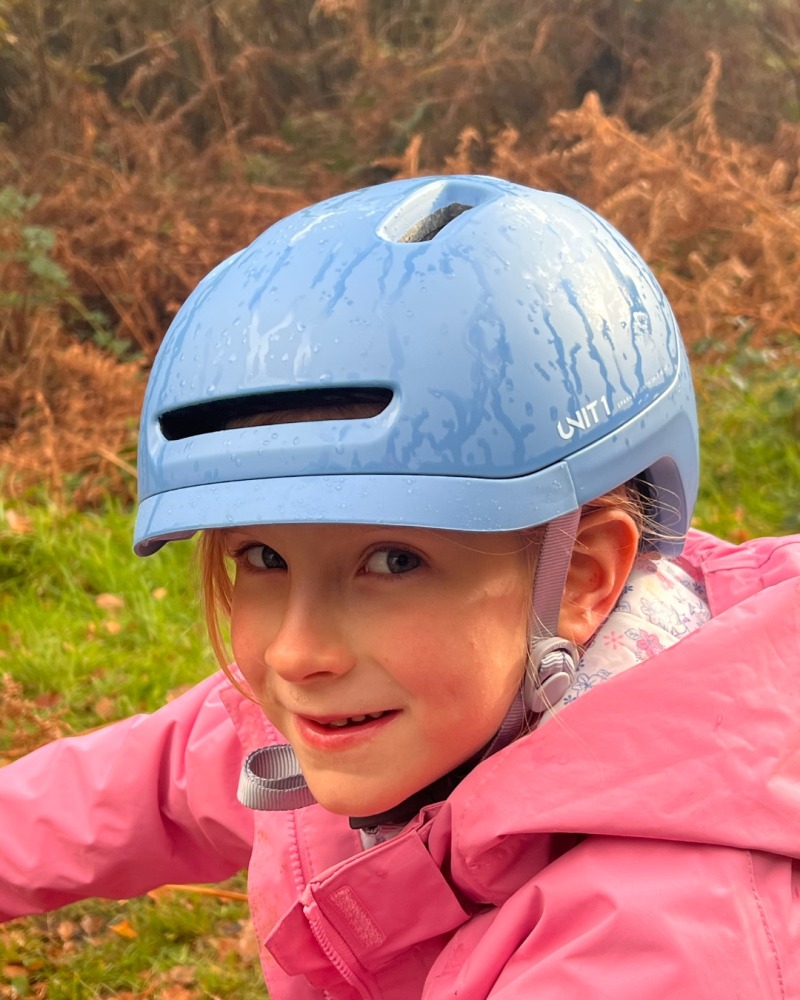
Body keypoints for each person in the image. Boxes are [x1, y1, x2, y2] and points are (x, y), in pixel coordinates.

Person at [1, 175, 799, 999]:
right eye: (264, 558)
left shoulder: (653, 941)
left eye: (392, 560)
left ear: (583, 577)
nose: (297, 652)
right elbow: (136, 791)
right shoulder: (361, 717)